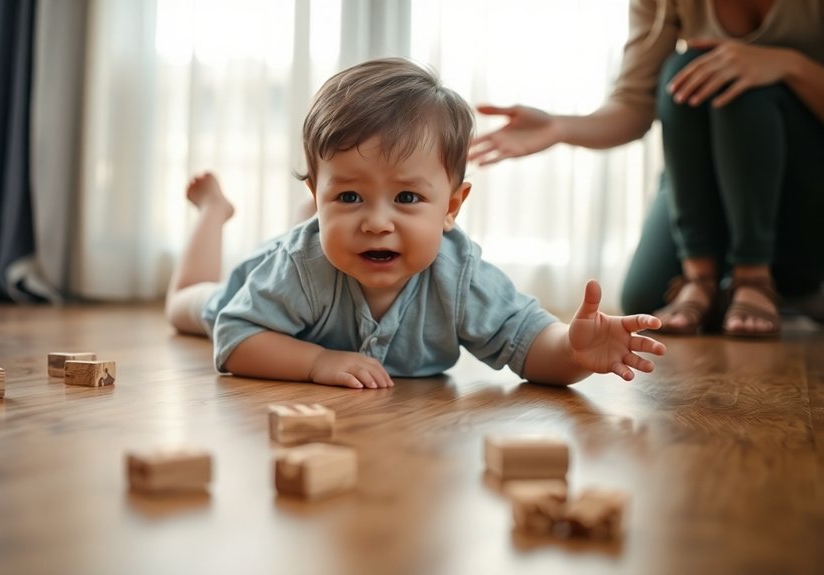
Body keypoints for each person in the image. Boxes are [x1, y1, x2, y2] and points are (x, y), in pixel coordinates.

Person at [164, 57, 665, 389]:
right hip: (271, 276)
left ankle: (321, 209)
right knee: (187, 305)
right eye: (349, 195)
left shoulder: (459, 274)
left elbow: (527, 344)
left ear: (452, 206)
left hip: (325, 234)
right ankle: (215, 211)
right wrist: (316, 363)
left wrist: (573, 352)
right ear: (318, 194)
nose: (378, 223)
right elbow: (234, 335)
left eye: (406, 197)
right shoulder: (299, 267)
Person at [468, 0, 824, 338]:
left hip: (804, 168)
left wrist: (788, 65)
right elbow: (633, 105)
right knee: (646, 298)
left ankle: (754, 276)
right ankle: (701, 277)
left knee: (741, 84)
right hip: (704, 168)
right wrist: (559, 128)